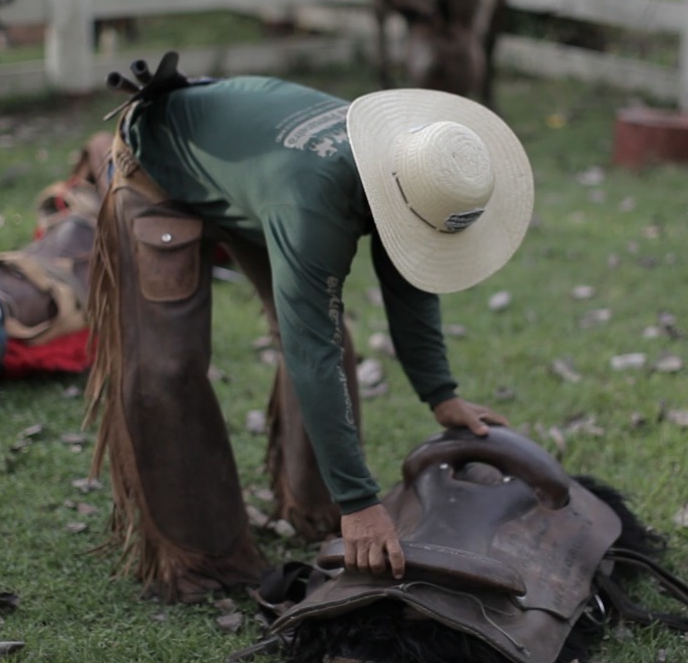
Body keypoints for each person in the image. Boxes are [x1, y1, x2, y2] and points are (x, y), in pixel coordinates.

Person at [85, 52, 534, 603]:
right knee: (167, 366)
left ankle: (315, 510)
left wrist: (442, 395)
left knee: (327, 342)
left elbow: (410, 282)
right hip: (161, 160)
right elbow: (310, 348)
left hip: (260, 174)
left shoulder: (406, 170)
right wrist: (362, 501)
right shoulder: (315, 208)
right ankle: (204, 561)